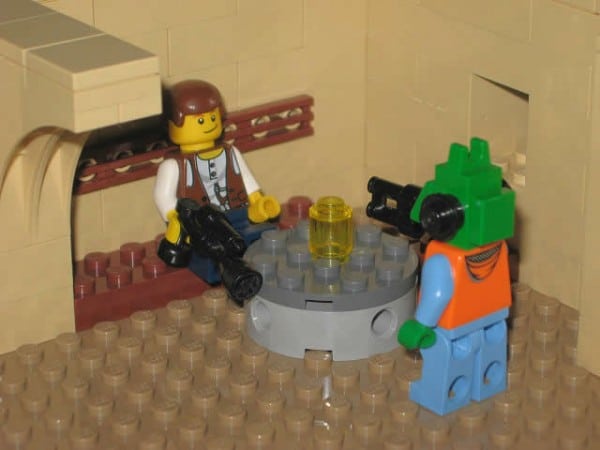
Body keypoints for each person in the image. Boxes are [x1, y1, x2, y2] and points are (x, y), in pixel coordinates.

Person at [154, 80, 280, 281]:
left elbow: (246, 181)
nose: (209, 124)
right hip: (204, 227)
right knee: (214, 252)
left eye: (213, 117)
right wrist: (176, 219)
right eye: (200, 121)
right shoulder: (174, 166)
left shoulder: (231, 153)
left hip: (239, 214)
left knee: (262, 234)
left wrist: (258, 201)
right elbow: (163, 197)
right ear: (172, 125)